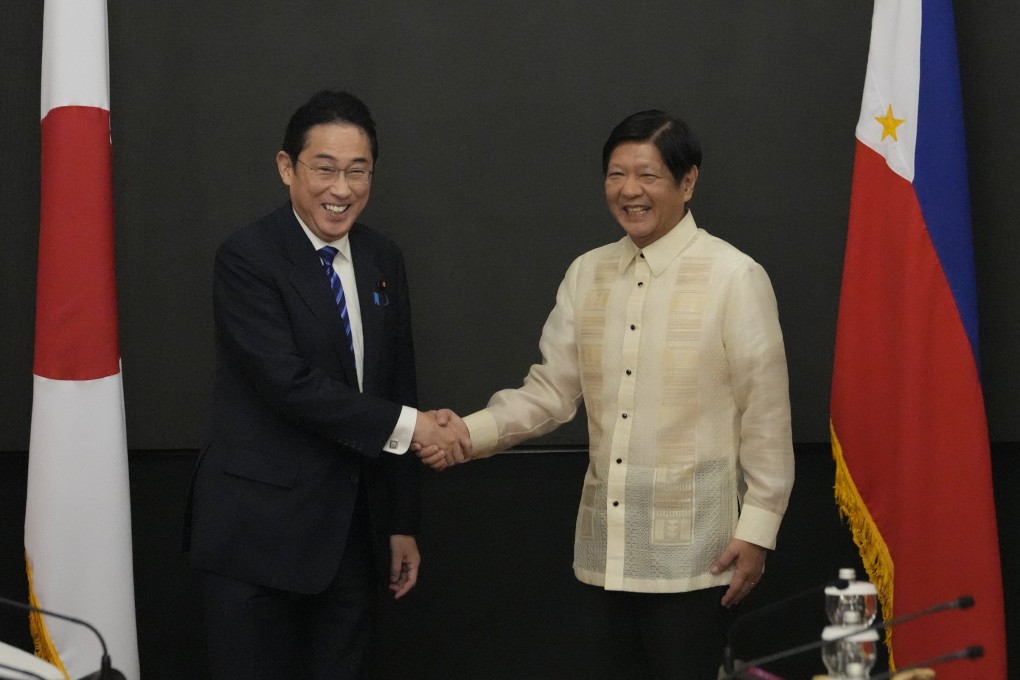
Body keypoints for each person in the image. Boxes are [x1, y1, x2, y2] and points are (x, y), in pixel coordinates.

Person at [432, 110, 795, 679]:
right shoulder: (588, 273)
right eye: (616, 174)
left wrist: (758, 530)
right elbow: (551, 391)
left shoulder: (735, 277)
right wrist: (464, 435)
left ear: (688, 182)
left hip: (701, 556)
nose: (630, 191)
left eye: (648, 175)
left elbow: (766, 415)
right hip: (604, 553)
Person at [183, 90, 470, 680]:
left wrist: (400, 521)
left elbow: (398, 380)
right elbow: (286, 383)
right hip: (254, 539)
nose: (342, 189)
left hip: (351, 540)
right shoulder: (247, 257)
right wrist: (414, 427)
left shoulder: (382, 257)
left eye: (357, 171)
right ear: (287, 167)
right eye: (325, 168)